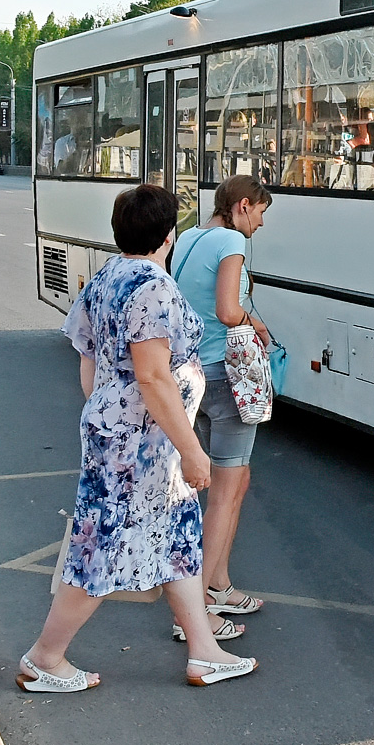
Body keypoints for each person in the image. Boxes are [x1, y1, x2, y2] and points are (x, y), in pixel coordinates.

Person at [18, 184, 257, 691]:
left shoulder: (106, 277)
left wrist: (105, 411)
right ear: (168, 235)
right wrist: (192, 452)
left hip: (132, 437)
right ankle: (45, 658)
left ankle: (203, 652)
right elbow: (152, 376)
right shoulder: (152, 287)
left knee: (177, 540)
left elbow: (89, 358)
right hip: (143, 446)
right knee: (103, 548)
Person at [169, 175, 271, 629]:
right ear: (243, 206)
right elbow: (229, 311)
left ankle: (219, 585)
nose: (260, 224)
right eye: (261, 213)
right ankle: (196, 613)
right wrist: (256, 324)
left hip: (192, 375)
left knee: (235, 482)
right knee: (225, 495)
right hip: (226, 373)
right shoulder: (232, 240)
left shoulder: (190, 236)